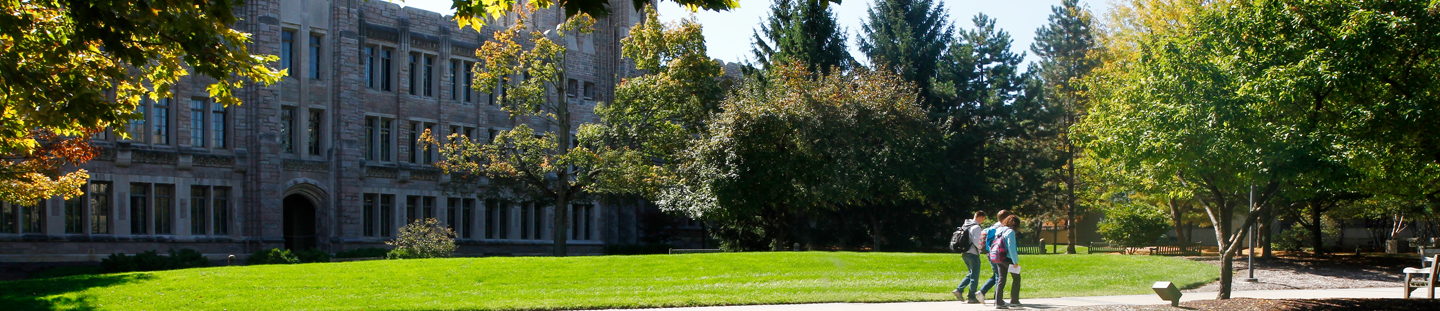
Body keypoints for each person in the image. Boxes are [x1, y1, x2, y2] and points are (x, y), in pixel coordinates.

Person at [952, 211, 987, 303]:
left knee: (971, 273)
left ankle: (959, 289)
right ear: (980, 217)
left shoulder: (965, 225)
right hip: (973, 253)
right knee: (974, 275)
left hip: (964, 252)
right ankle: (971, 297)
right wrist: (982, 249)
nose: (983, 221)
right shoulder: (976, 227)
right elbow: (976, 241)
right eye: (983, 219)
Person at [977, 210, 1011, 303]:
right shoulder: (1002, 228)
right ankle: (996, 298)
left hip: (990, 253)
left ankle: (983, 291)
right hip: (998, 254)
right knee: (999, 276)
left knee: (997, 274)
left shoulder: (993, 226)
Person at [988, 215, 1021, 309]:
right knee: (1016, 278)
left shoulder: (999, 230)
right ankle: (1014, 300)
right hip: (1007, 259)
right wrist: (1015, 262)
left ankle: (998, 302)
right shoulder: (1010, 232)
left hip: (998, 258)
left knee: (1001, 279)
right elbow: (1011, 247)